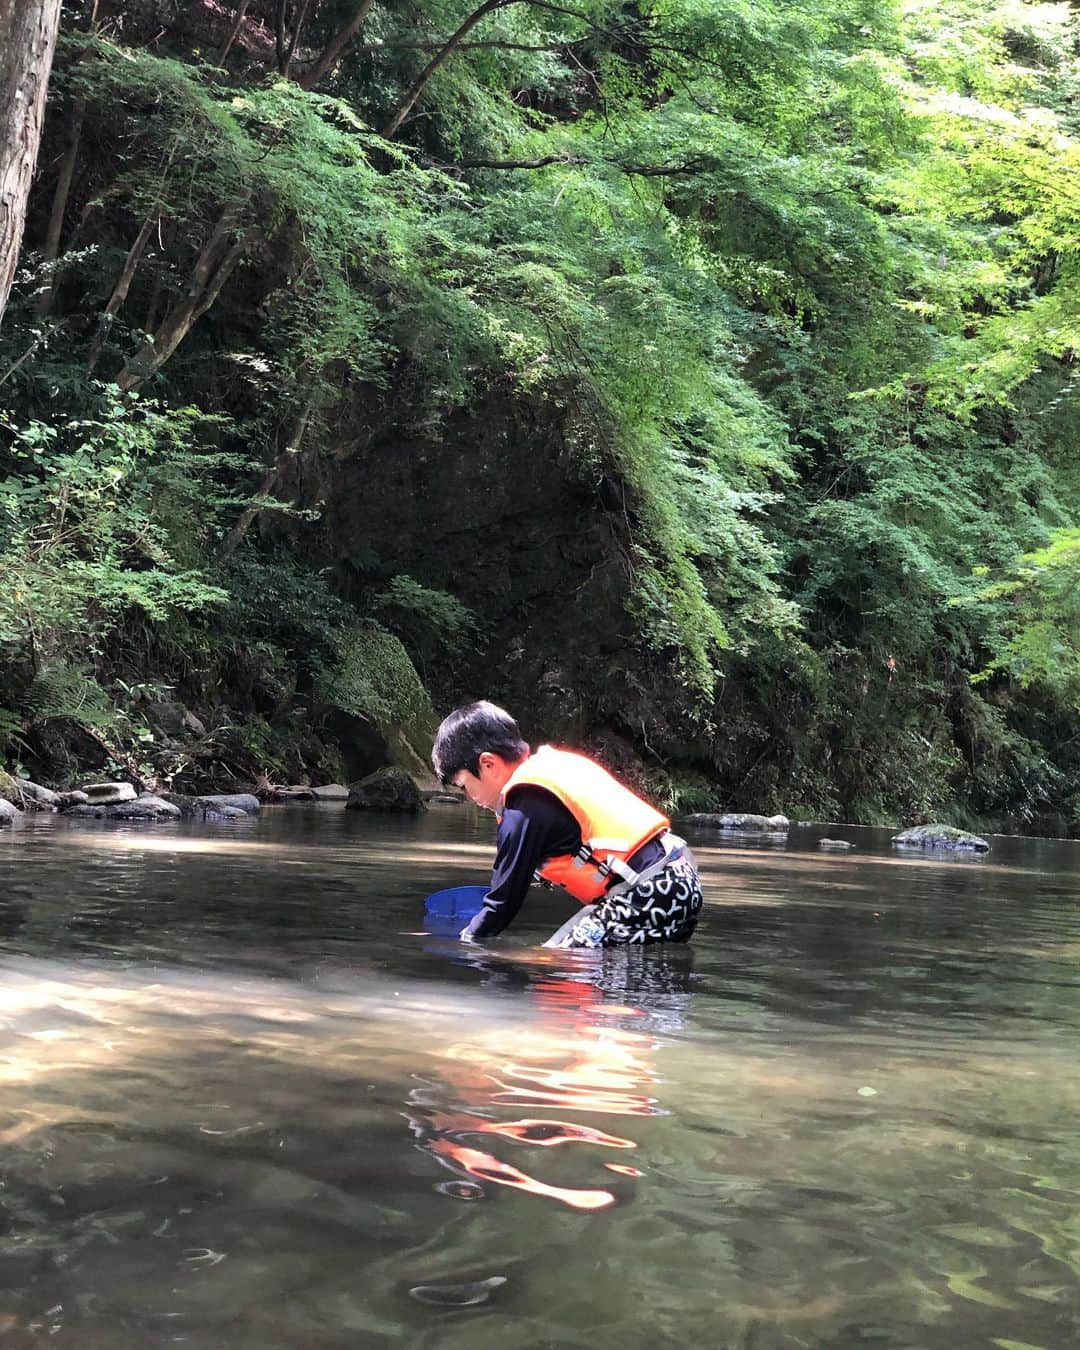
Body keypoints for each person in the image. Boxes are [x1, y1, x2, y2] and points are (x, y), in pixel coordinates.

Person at [431, 700, 702, 947]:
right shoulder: (551, 768)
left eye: (464, 785)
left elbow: (501, 903)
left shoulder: (522, 806)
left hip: (650, 890)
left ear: (487, 764)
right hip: (679, 878)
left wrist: (466, 943)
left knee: (556, 963)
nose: (470, 797)